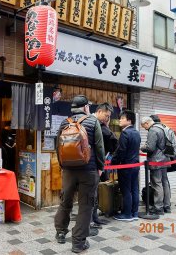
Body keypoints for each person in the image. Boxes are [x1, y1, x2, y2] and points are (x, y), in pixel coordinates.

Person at [54, 95, 105, 253]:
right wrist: (100, 166)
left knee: (65, 201)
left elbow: (58, 147)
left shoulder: (65, 122)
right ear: (86, 107)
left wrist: (63, 166)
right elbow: (99, 147)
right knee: (86, 206)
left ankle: (61, 232)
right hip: (88, 171)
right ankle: (78, 242)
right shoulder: (92, 121)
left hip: (68, 171)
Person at [90, 103, 117, 231]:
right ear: (100, 111)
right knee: (91, 193)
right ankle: (90, 221)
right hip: (92, 165)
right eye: (106, 116)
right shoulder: (96, 124)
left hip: (92, 164)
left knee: (94, 193)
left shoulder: (91, 121)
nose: (107, 119)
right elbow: (113, 141)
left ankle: (94, 218)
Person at [111, 110, 141, 221]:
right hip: (135, 165)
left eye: (122, 118)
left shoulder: (125, 133)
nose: (120, 120)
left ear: (129, 120)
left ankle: (127, 214)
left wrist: (114, 162)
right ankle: (134, 213)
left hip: (125, 166)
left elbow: (121, 151)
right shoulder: (137, 132)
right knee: (134, 189)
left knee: (126, 190)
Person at [140, 116, 171, 215]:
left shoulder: (153, 130)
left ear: (147, 123)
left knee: (156, 183)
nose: (144, 128)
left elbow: (150, 148)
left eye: (144, 126)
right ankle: (167, 206)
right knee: (164, 182)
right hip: (164, 159)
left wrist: (142, 148)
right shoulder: (163, 127)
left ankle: (158, 208)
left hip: (156, 160)